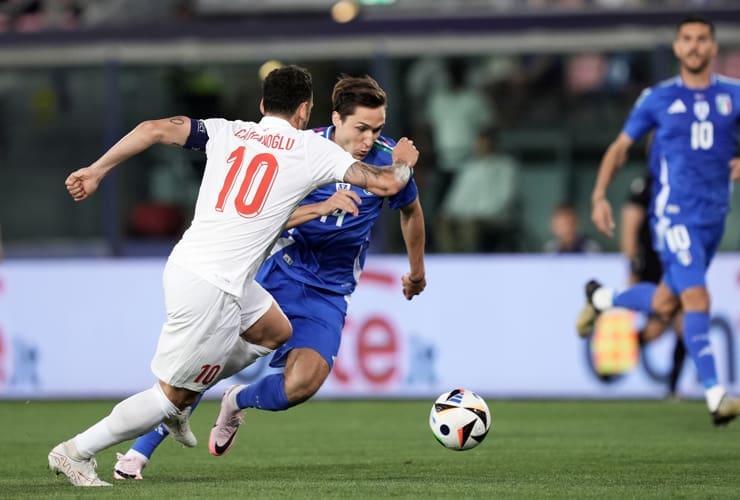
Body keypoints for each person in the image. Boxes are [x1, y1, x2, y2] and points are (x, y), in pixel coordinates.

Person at [48, 65, 419, 487]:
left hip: (199, 266)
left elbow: (152, 128)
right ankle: (77, 451)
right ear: (306, 110)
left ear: (262, 105)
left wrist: (97, 170)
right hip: (213, 286)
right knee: (169, 396)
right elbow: (389, 185)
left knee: (274, 330)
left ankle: (194, 401)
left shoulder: (227, 130)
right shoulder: (312, 151)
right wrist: (404, 163)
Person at [576, 15, 740, 425]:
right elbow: (619, 148)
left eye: (703, 39)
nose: (695, 46)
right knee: (697, 299)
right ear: (677, 48)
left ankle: (602, 299)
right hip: (673, 216)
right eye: (687, 39)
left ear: (714, 47)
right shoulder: (657, 99)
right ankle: (717, 395)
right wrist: (599, 195)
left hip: (713, 218)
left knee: (666, 302)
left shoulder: (734, 96)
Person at [620, 171, 685, 399]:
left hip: (678, 263)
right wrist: (633, 267)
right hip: (652, 268)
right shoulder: (647, 184)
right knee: (656, 330)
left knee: (683, 324)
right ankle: (618, 355)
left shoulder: (682, 179)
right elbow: (630, 222)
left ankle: (673, 388)